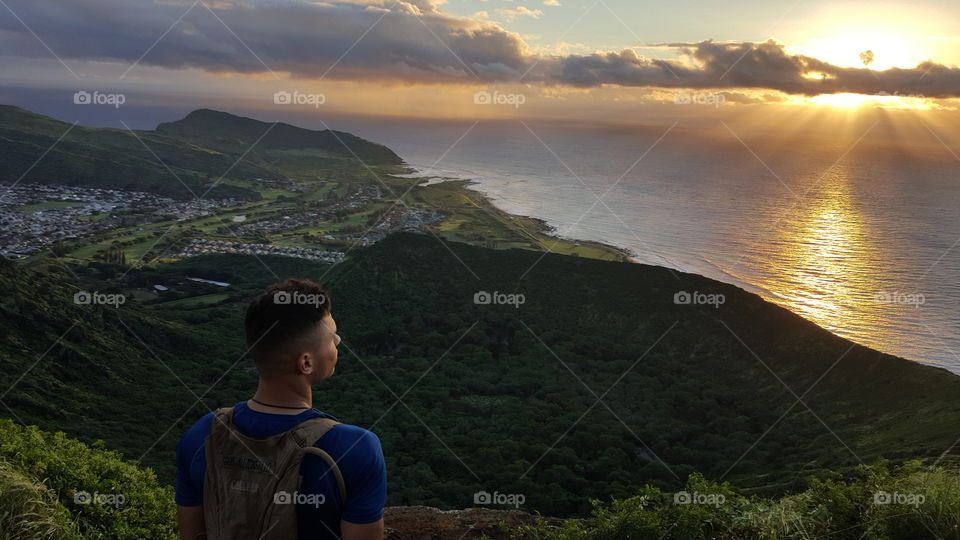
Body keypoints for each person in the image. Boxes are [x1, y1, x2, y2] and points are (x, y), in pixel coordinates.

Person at [174, 278, 386, 540]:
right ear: (306, 363)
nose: (338, 340)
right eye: (332, 337)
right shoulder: (355, 448)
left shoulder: (202, 435)